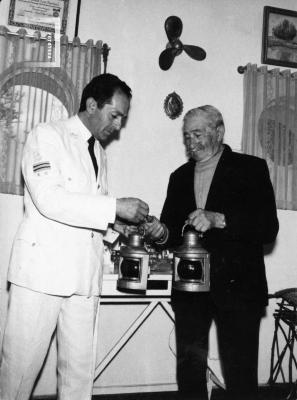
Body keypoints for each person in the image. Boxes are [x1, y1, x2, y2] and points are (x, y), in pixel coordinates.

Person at [0, 73, 149, 400]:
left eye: (123, 118)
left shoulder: (100, 152)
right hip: (42, 274)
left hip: (84, 277)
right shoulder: (47, 136)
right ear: (92, 105)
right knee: (19, 373)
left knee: (80, 375)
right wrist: (115, 207)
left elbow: (88, 212)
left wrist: (116, 228)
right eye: (115, 115)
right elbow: (49, 200)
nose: (119, 125)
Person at [144, 105, 279, 400]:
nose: (190, 142)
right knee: (190, 373)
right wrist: (158, 232)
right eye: (186, 135)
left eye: (197, 133)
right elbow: (170, 233)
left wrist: (220, 218)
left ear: (219, 132)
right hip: (190, 290)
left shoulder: (251, 168)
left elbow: (268, 228)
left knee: (240, 376)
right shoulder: (178, 176)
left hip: (239, 289)